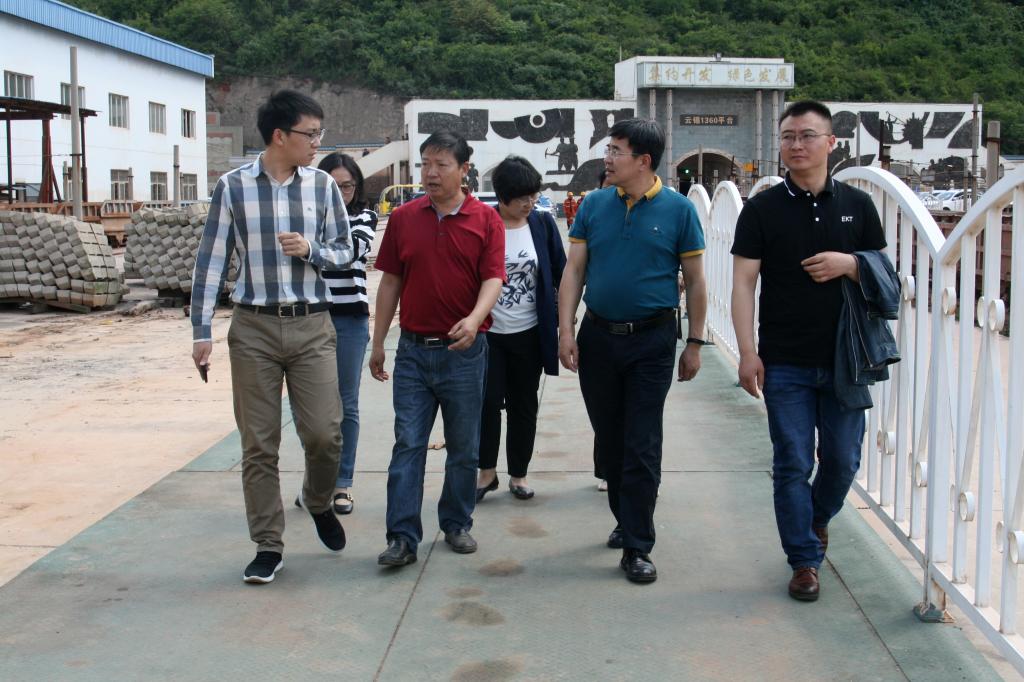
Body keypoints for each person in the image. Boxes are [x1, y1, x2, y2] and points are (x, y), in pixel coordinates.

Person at [190, 90, 354, 584]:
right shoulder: (233, 187)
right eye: (311, 134)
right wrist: (201, 330)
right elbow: (211, 260)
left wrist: (312, 250)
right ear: (280, 135)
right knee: (259, 444)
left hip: (311, 324)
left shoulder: (323, 186)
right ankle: (268, 544)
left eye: (320, 134)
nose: (318, 143)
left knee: (325, 434)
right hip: (254, 328)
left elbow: (347, 250)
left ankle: (318, 500)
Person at [730, 100, 886, 602]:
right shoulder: (762, 209)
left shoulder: (859, 205)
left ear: (831, 143)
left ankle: (816, 519)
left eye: (807, 135)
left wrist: (850, 263)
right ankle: (803, 560)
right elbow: (743, 284)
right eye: (788, 137)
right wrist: (748, 352)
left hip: (847, 359)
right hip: (786, 360)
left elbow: (884, 274)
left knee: (842, 460)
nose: (796, 145)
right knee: (793, 462)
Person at [559, 118, 707, 584]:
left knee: (642, 441)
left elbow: (696, 282)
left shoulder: (680, 210)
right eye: (608, 149)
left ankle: (638, 544)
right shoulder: (593, 205)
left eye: (616, 150)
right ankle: (626, 517)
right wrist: (566, 329)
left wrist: (695, 342)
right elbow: (574, 271)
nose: (607, 158)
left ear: (643, 160)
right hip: (598, 337)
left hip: (653, 341)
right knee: (610, 439)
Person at [370, 130, 505, 567]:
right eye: (425, 163)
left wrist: (475, 318)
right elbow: (390, 281)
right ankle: (402, 537)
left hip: (463, 352)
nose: (430, 172)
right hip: (412, 351)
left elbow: (493, 278)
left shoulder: (486, 220)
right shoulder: (405, 218)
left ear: (464, 170)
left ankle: (457, 522)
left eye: (441, 164)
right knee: (408, 443)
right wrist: (378, 341)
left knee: (463, 446)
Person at [475, 156, 566, 503]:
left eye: (534, 195)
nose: (530, 203)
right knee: (486, 404)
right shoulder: (484, 223)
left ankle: (519, 474)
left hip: (529, 332)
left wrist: (565, 321)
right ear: (502, 196)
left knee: (523, 404)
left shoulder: (541, 224)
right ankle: (486, 473)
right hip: (489, 334)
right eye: (522, 198)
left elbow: (562, 273)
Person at [303, 152, 377, 515]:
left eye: (347, 186)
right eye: (334, 186)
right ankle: (316, 484)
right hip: (311, 317)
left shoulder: (364, 216)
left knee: (346, 404)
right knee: (312, 408)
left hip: (350, 320)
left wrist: (310, 249)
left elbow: (352, 250)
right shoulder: (307, 216)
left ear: (356, 187)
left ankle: (342, 483)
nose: (342, 192)